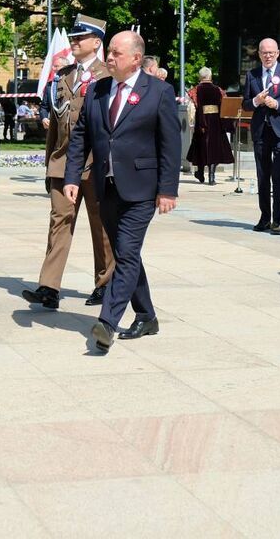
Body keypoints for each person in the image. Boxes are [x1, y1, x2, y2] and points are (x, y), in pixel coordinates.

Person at [64, 31, 179, 351]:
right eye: (109, 52)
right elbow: (81, 136)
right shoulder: (98, 90)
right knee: (127, 254)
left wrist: (168, 189)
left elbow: (170, 143)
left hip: (142, 189)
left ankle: (107, 323)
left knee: (125, 253)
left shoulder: (158, 91)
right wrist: (72, 176)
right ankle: (147, 315)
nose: (109, 58)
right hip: (107, 186)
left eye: (115, 53)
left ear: (135, 59)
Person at [23, 14, 115, 310]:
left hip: (97, 165)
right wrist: (51, 163)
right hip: (64, 163)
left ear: (96, 43)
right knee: (58, 223)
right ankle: (49, 287)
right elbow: (58, 124)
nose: (74, 42)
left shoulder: (109, 76)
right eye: (73, 37)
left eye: (80, 38)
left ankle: (105, 283)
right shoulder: (64, 76)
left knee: (101, 226)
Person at [242, 38, 280, 233]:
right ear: (259, 54)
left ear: (278, 53)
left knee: (278, 175)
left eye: (271, 52)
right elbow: (245, 104)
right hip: (261, 131)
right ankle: (265, 217)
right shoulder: (252, 75)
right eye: (264, 52)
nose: (267, 56)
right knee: (262, 176)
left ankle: (278, 219)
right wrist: (256, 101)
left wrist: (278, 104)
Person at [187, 67, 234, 185]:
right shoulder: (218, 90)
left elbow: (192, 107)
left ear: (200, 77)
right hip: (216, 122)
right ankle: (211, 177)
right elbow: (225, 106)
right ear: (210, 76)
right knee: (214, 148)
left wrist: (192, 122)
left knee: (201, 146)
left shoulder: (195, 90)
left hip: (201, 121)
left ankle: (201, 173)